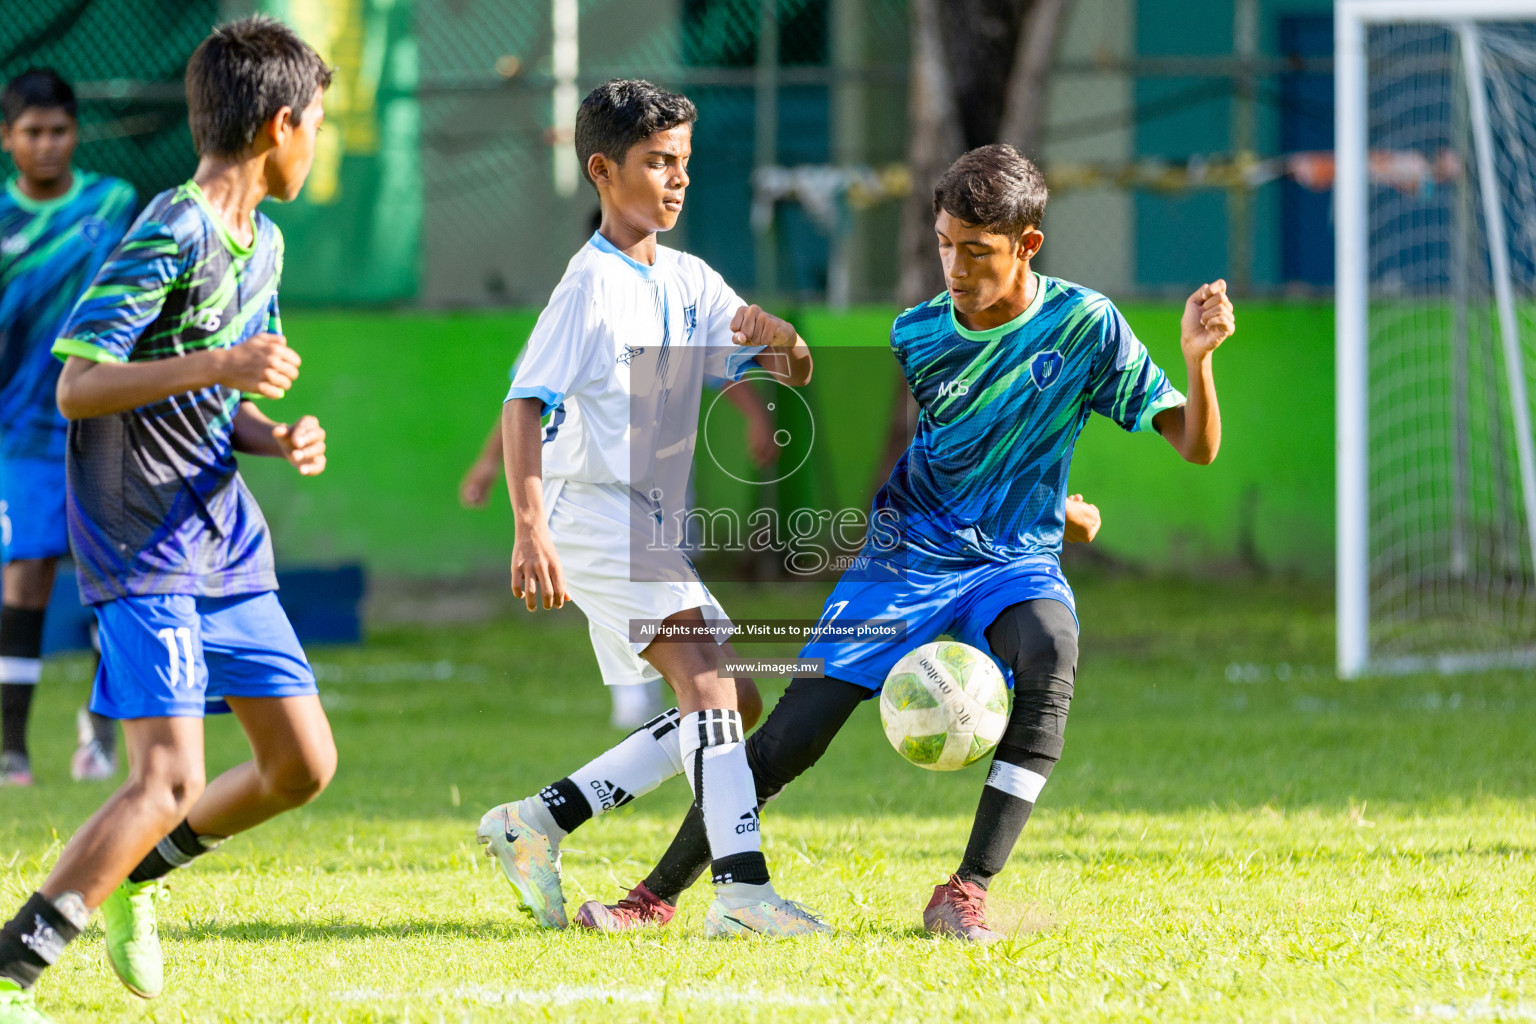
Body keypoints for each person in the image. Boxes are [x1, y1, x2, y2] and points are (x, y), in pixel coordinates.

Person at [572, 143, 1235, 940]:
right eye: (945, 243)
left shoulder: (1086, 325)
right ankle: (653, 896)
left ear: (1028, 246)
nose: (955, 267)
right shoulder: (918, 334)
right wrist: (1056, 508)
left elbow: (1193, 445)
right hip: (907, 556)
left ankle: (965, 890)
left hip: (1012, 566)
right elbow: (956, 451)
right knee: (788, 739)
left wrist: (1197, 363)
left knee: (1051, 649)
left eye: (977, 251)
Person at [0, 18, 338, 1022]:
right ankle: (12, 969)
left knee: (300, 766)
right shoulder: (170, 226)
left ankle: (137, 874)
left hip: (224, 533)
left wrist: (273, 434)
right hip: (140, 540)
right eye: (315, 121)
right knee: (166, 777)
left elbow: (220, 387)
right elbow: (80, 385)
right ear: (281, 124)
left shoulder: (264, 244)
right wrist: (219, 367)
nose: (315, 141)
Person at [474, 78, 830, 939]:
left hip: (644, 518)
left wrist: (783, 339)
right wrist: (529, 530)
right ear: (603, 170)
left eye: (684, 163)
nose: (676, 179)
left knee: (730, 702)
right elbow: (525, 405)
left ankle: (541, 820)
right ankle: (743, 898)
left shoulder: (688, 277)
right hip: (589, 509)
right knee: (708, 678)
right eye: (656, 162)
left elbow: (784, 373)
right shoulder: (588, 288)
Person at [459, 339, 779, 731]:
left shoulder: (674, 301)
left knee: (727, 685)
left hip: (665, 480)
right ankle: (640, 698)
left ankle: (675, 706)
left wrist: (757, 415)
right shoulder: (570, 314)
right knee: (705, 674)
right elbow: (522, 401)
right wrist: (490, 464)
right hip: (595, 499)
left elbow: (720, 368)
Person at [0, 68, 136, 786]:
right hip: (19, 431)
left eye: (59, 131)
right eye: (33, 133)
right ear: (7, 138)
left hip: (98, 424)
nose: (47, 145)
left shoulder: (111, 204)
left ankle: (98, 741)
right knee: (23, 577)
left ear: (75, 133)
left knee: (102, 577)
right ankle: (11, 749)